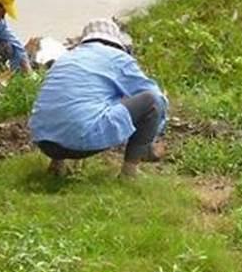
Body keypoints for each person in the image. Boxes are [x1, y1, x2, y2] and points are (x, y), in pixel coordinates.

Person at [29, 19, 169, 178]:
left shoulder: (65, 58)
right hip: (79, 141)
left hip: (42, 140)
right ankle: (129, 172)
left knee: (76, 100)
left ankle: (57, 164)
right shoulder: (118, 58)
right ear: (115, 43)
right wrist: (152, 134)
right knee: (151, 101)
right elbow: (156, 99)